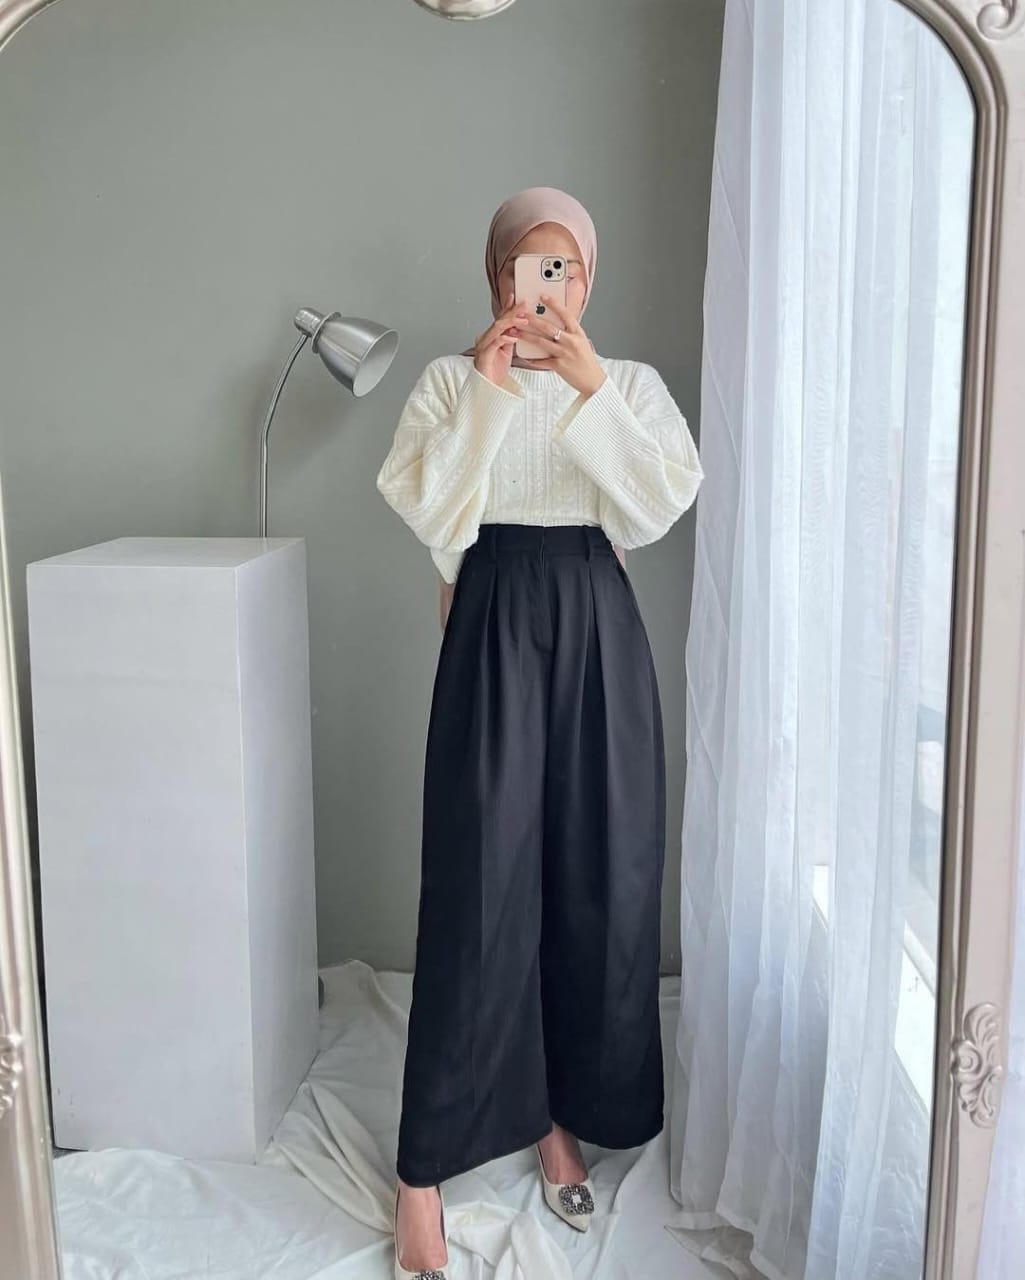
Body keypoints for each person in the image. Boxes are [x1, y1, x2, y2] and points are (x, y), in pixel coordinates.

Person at [375, 186, 704, 1278]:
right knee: (479, 883)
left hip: (599, 623)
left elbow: (654, 507)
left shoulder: (629, 384)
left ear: (589, 281)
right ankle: (422, 1166)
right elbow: (434, 513)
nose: (548, 287)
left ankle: (557, 1112)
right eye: (530, 266)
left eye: (566, 268)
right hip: (491, 621)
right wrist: (489, 392)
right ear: (497, 277)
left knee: (599, 875)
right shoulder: (446, 382)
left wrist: (588, 388)